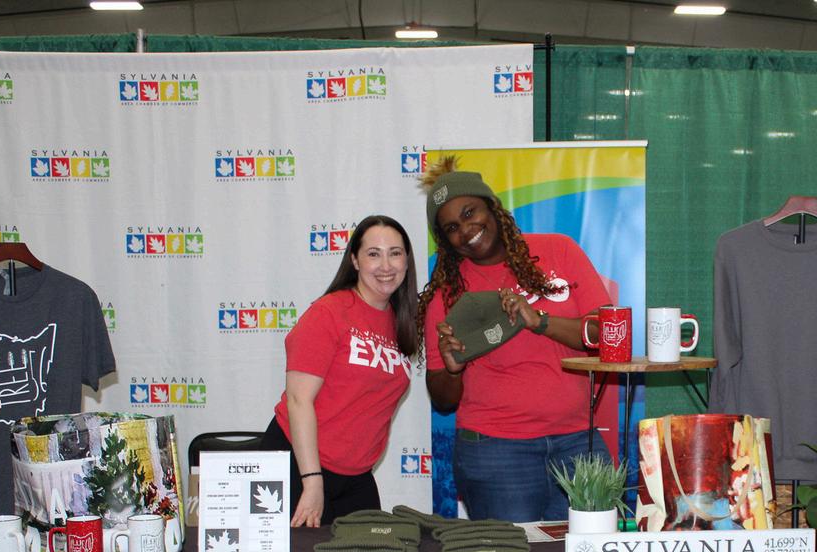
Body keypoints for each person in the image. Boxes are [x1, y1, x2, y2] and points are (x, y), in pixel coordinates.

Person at [420, 156, 612, 521]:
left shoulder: (558, 250)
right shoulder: (446, 297)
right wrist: (454, 368)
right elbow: (443, 400)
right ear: (446, 241)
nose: (466, 229)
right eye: (452, 228)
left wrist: (539, 321)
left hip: (577, 442)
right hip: (495, 453)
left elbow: (607, 335)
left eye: (470, 212)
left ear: (493, 206)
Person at [261, 215, 420, 527]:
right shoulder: (329, 312)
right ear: (355, 261)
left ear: (406, 261)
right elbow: (298, 400)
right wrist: (312, 482)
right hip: (298, 467)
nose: (385, 265)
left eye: (395, 253)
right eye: (373, 254)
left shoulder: (401, 321)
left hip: (355, 476)